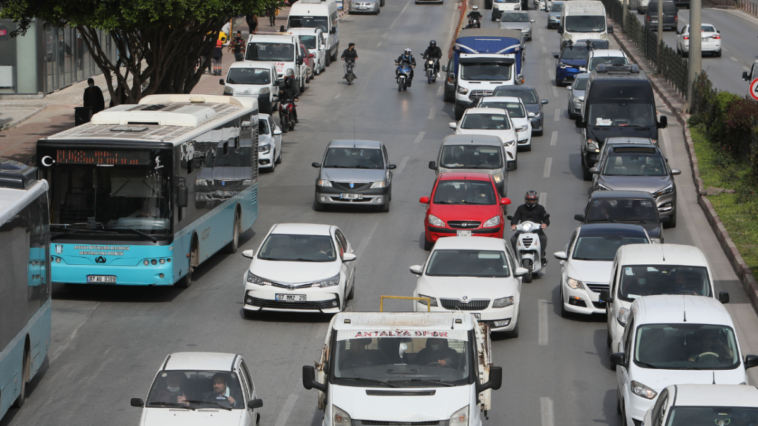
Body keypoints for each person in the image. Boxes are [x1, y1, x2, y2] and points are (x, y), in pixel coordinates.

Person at [510, 190, 550, 265]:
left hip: (536, 230)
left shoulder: (540, 208)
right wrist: (513, 224)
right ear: (526, 199)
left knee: (543, 238)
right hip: (523, 230)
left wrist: (545, 223)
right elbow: (515, 218)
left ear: (536, 200)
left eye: (533, 200)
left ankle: (541, 257)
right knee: (513, 239)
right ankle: (517, 257)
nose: (531, 201)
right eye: (529, 199)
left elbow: (546, 219)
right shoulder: (520, 208)